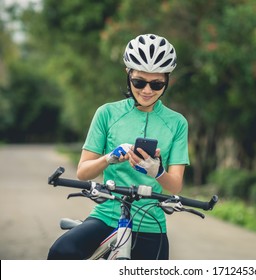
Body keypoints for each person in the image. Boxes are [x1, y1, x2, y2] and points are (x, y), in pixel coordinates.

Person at [47, 34, 189, 260]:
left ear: (167, 80)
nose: (147, 90)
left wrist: (158, 172)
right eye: (139, 82)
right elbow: (84, 171)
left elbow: (175, 186)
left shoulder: (177, 123)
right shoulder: (107, 113)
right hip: (107, 214)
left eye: (157, 84)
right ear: (128, 74)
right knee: (61, 251)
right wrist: (109, 158)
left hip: (150, 222)